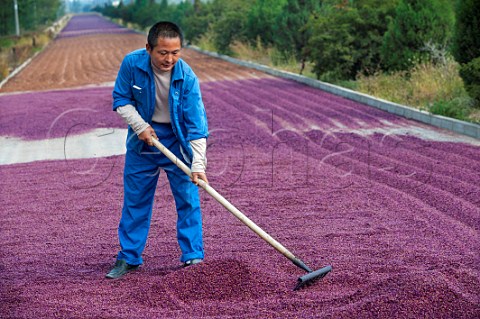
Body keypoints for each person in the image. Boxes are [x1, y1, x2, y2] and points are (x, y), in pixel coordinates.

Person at [106, 21, 209, 279]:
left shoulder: (187, 77)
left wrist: (198, 164)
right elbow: (121, 99)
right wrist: (140, 125)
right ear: (149, 48)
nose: (169, 59)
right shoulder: (132, 64)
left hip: (178, 141)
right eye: (163, 52)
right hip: (144, 142)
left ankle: (193, 256)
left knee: (188, 199)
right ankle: (128, 257)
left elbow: (197, 125)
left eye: (175, 52)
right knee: (136, 200)